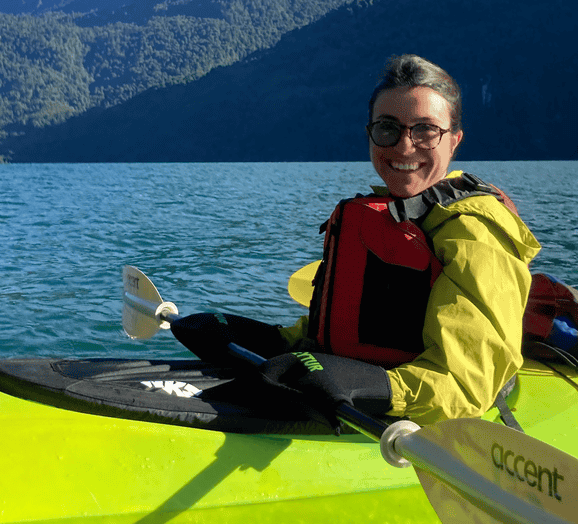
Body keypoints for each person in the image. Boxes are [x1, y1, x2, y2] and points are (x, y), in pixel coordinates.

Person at [172, 54, 540, 426]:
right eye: (387, 128)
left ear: (454, 141)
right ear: (370, 134)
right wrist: (272, 341)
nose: (404, 146)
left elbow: (466, 386)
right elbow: (360, 321)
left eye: (426, 130)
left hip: (420, 414)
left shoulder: (476, 232)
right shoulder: (399, 212)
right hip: (370, 391)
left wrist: (372, 387)